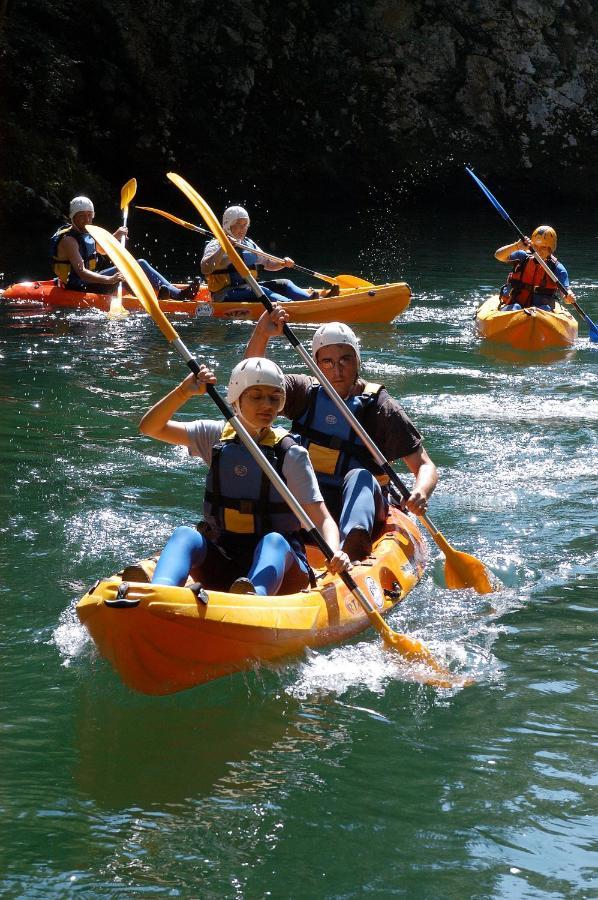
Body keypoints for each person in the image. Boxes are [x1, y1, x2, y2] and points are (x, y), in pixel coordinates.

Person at [139, 357, 350, 595]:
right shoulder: (215, 436)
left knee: (274, 541)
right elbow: (150, 427)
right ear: (236, 399)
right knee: (185, 535)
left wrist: (334, 551)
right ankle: (158, 593)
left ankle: (253, 597)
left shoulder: (290, 453)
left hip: (282, 569)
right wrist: (183, 392)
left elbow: (322, 519)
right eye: (256, 396)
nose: (267, 404)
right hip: (225, 560)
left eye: (274, 397)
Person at [245, 309, 438, 562]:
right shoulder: (304, 392)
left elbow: (424, 465)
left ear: (357, 361)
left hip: (361, 504)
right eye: (327, 362)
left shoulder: (380, 407)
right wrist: (262, 332)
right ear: (316, 363)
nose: (337, 370)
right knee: (274, 460)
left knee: (360, 476)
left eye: (345, 359)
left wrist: (420, 492)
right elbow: (250, 382)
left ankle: (353, 546)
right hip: (311, 500)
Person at [51, 196, 198, 300]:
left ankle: (175, 293)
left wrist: (116, 235)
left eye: (89, 215)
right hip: (77, 286)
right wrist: (110, 279)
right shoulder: (69, 240)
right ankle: (155, 299)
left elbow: (101, 250)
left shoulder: (88, 232)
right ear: (73, 218)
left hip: (89, 281)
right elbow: (82, 273)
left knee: (139, 263)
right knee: (128, 273)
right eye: (82, 216)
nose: (87, 220)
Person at [200, 205, 339, 303]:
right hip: (224, 294)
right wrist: (224, 248)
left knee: (285, 283)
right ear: (228, 225)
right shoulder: (216, 243)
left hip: (249, 288)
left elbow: (268, 264)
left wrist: (283, 263)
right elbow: (205, 268)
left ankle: (312, 301)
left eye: (245, 225)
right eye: (239, 225)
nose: (243, 229)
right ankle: (293, 306)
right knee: (261, 291)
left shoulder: (248, 243)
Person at [495, 225, 576, 311]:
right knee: (515, 307)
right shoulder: (523, 256)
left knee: (543, 309)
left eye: (543, 247)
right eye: (536, 246)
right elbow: (498, 255)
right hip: (515, 305)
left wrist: (568, 297)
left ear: (551, 248)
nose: (538, 250)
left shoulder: (557, 268)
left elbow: (565, 292)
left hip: (541, 311)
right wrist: (517, 246)